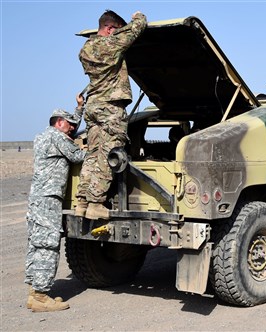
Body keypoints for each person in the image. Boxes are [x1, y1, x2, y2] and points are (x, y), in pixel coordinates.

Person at [76, 10, 147, 220]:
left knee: (93, 154)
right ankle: (96, 204)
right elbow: (136, 29)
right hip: (110, 108)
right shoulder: (110, 44)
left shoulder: (86, 48)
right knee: (109, 154)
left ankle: (82, 201)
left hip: (93, 105)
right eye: (115, 31)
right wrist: (139, 16)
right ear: (109, 29)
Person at [25, 96, 86, 312]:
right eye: (69, 125)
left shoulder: (44, 136)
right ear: (59, 122)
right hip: (49, 199)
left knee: (36, 244)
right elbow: (77, 155)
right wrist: (98, 151)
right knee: (47, 245)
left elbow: (73, 129)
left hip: (38, 198)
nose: (72, 130)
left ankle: (35, 293)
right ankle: (41, 297)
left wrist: (79, 108)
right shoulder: (57, 137)